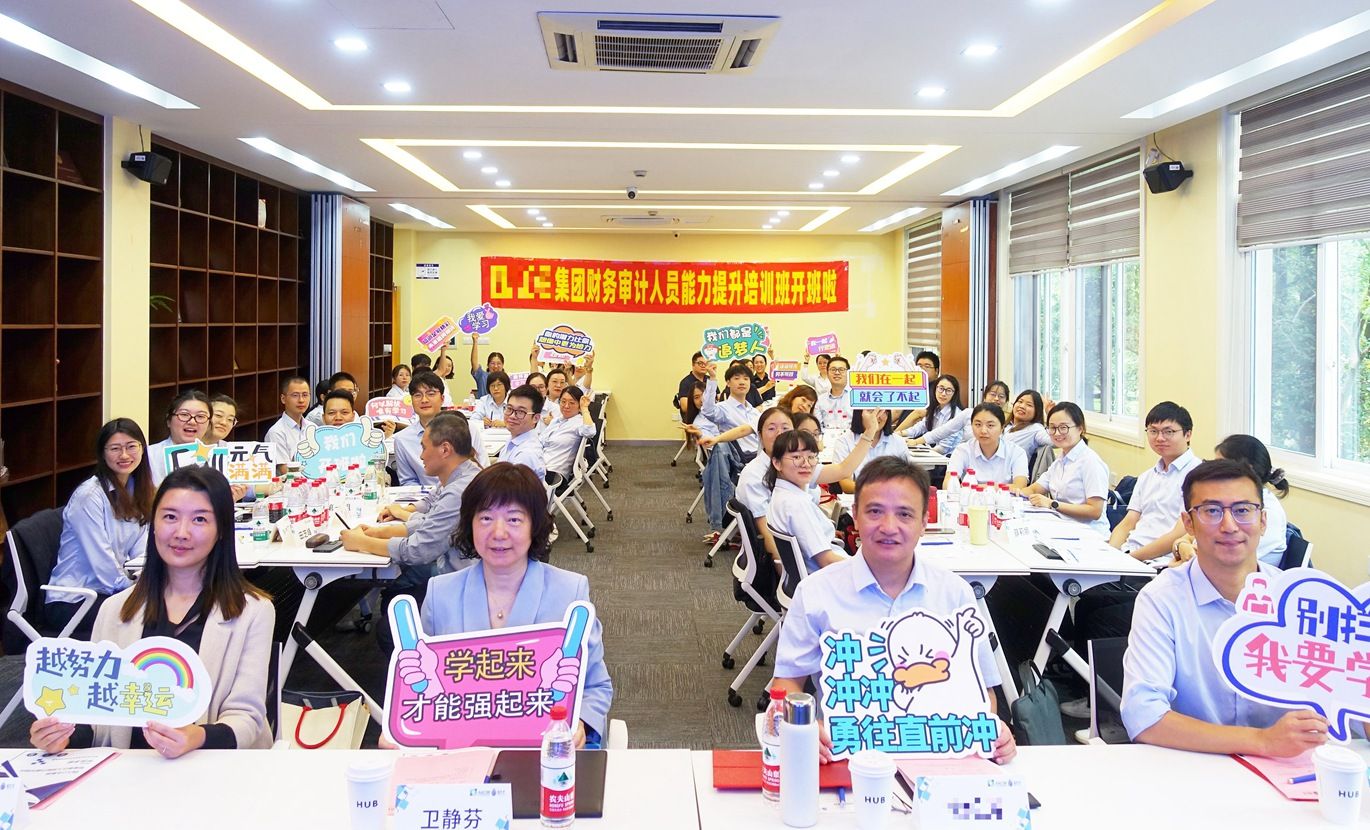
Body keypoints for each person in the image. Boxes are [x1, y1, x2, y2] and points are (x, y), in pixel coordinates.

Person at [770, 456, 1015, 764]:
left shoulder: (955, 595)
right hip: (846, 758)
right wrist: (801, 726)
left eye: (904, 514)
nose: (889, 527)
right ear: (855, 516)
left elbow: (983, 693)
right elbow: (787, 682)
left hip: (937, 759)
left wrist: (989, 731)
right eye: (874, 511)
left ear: (924, 522)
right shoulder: (815, 593)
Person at [31, 466, 275, 755]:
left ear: (221, 530)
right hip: (127, 769)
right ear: (153, 523)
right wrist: (62, 736)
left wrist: (197, 737)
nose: (181, 533)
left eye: (199, 519)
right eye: (170, 517)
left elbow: (247, 718)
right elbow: (95, 715)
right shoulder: (115, 609)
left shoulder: (253, 612)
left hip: (210, 766)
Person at [1120, 459, 1328, 756]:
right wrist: (1262, 741)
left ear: (1263, 521)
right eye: (1211, 511)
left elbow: (1351, 711)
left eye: (1243, 510)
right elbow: (1144, 717)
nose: (1229, 526)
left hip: (1290, 771)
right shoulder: (1161, 599)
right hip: (1194, 766)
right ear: (1188, 523)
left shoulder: (1302, 603)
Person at [397, 462, 613, 746]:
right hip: (464, 751)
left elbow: (596, 685)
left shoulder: (569, 592)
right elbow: (420, 686)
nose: (498, 533)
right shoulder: (441, 593)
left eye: (514, 520)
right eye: (486, 518)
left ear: (535, 526)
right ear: (470, 523)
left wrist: (580, 723)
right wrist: (405, 727)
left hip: (542, 749)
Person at [342, 414, 481, 636]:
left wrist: (361, 543)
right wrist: (379, 533)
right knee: (397, 583)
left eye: (424, 448)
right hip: (464, 572)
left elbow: (418, 550)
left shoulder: (458, 491)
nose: (421, 455)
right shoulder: (464, 474)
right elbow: (432, 522)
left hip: (463, 582)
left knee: (389, 626)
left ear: (445, 449)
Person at [46, 419, 156, 638]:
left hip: (111, 590)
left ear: (142, 449)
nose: (124, 455)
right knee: (151, 617)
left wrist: (148, 579)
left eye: (131, 446)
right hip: (76, 600)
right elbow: (101, 561)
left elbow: (141, 549)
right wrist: (134, 591)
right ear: (103, 454)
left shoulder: (138, 490)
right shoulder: (89, 496)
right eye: (115, 449)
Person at [1110, 402, 1201, 563]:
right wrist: (1109, 554)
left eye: (1168, 432)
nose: (1159, 438)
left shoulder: (1198, 476)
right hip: (1130, 554)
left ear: (1188, 435)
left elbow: (1179, 533)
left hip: (1162, 562)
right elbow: (1128, 523)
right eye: (1153, 431)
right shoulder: (1147, 476)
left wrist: (1129, 560)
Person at [766, 430, 849, 573]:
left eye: (811, 457)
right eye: (797, 457)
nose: (806, 464)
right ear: (777, 463)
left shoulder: (782, 494)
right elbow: (827, 561)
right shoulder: (796, 504)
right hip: (828, 576)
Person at [1022, 402, 1110, 534]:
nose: (1057, 433)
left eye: (1063, 428)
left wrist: (1052, 504)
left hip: (1088, 534)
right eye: (1052, 428)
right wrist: (1009, 494)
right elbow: (1034, 489)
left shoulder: (1090, 462)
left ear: (1080, 428)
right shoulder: (1060, 460)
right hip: (1062, 527)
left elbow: (1095, 511)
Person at [698, 363, 762, 543]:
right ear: (728, 382)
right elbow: (708, 411)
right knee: (721, 448)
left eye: (746, 378)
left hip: (758, 457)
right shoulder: (724, 408)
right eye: (736, 378)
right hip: (737, 459)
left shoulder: (754, 412)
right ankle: (727, 521)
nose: (742, 382)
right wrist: (712, 379)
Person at [1203, 434, 1289, 566]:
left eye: (1221, 466)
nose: (1214, 472)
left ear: (1247, 469)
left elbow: (1221, 555)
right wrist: (1182, 545)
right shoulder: (1234, 500)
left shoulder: (1268, 512)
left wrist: (1184, 546)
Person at [946, 403, 1029, 490]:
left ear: (1002, 428)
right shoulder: (962, 450)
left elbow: (1020, 486)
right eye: (978, 424)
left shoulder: (1016, 452)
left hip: (1004, 498)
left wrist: (978, 488)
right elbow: (948, 482)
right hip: (970, 498)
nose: (983, 431)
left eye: (990, 425)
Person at [831, 408, 906, 492]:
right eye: (871, 410)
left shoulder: (898, 442)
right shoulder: (844, 442)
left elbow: (908, 480)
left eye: (882, 411)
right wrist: (877, 490)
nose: (877, 416)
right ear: (859, 413)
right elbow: (846, 485)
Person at [394, 370, 448, 487]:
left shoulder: (467, 430)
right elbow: (408, 481)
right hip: (425, 496)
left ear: (442, 398)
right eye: (418, 395)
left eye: (431, 394)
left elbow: (479, 471)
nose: (424, 400)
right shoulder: (402, 439)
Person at [147, 390, 213, 484]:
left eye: (200, 416)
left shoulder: (218, 456)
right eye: (184, 415)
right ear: (169, 421)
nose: (192, 422)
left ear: (209, 424)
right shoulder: (149, 455)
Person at [902, 374, 966, 455]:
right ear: (935, 389)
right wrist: (900, 433)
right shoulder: (935, 409)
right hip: (935, 454)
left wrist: (920, 450)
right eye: (941, 388)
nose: (943, 394)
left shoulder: (957, 414)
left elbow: (943, 448)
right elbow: (919, 427)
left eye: (948, 390)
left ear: (954, 394)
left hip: (949, 458)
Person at [542, 386, 597, 482]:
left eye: (572, 403)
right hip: (540, 466)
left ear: (579, 405)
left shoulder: (579, 423)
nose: (566, 406)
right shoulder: (556, 421)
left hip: (554, 473)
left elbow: (590, 431)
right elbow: (541, 441)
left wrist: (584, 408)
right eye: (563, 401)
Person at [497, 384, 547, 480]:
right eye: (509, 409)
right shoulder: (514, 439)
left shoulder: (526, 455)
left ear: (536, 418)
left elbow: (509, 488)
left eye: (520, 412)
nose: (512, 416)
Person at [265, 376, 311, 469]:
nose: (301, 400)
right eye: (295, 395)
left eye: (305, 395)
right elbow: (285, 470)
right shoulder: (276, 432)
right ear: (283, 399)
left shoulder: (313, 427)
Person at [814, 356, 853, 430]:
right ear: (827, 373)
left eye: (841, 369)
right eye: (833, 369)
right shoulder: (820, 400)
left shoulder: (856, 398)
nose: (837, 373)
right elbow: (818, 428)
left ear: (848, 373)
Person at [469, 334, 505, 398]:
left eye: (498, 363)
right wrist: (475, 341)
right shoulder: (482, 376)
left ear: (502, 365)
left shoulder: (506, 379)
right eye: (492, 363)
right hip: (483, 404)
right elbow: (474, 362)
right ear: (488, 365)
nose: (495, 366)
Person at [677, 352, 712, 417]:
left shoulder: (710, 379)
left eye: (706, 363)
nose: (703, 366)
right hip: (694, 418)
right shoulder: (686, 382)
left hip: (710, 417)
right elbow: (684, 407)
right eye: (700, 363)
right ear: (693, 364)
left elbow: (718, 398)